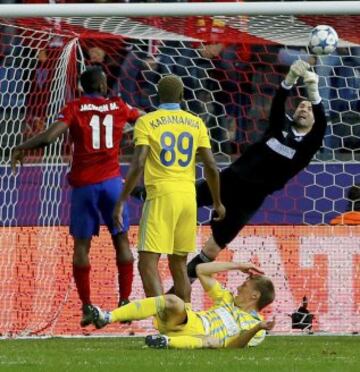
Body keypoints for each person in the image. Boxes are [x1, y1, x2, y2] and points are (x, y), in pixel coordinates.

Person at [133, 60, 327, 284]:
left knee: (212, 249)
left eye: (309, 109)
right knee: (184, 196)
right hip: (231, 180)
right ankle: (143, 194)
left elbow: (322, 125)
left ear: (313, 120)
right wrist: (290, 79)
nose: (304, 109)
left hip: (250, 199)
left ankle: (177, 291)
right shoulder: (278, 128)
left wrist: (313, 92)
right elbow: (278, 103)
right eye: (301, 106)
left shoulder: (307, 147)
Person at [11, 66, 142, 327]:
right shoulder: (119, 107)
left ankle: (86, 306)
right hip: (113, 184)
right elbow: (144, 119)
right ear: (104, 86)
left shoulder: (74, 107)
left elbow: (49, 137)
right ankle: (125, 301)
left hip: (85, 187)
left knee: (82, 248)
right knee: (122, 241)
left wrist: (22, 146)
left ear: (82, 88)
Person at [113, 74, 225, 303]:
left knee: (147, 262)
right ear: (183, 96)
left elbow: (138, 164)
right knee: (179, 264)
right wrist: (217, 202)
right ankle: (184, 323)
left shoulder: (147, 122)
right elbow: (212, 167)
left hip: (161, 195)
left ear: (157, 96)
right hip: (188, 197)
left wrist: (122, 199)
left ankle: (163, 323)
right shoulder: (196, 123)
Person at [90, 261, 275, 349]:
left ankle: (165, 342)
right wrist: (237, 266)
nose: (239, 286)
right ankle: (107, 317)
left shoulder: (258, 326)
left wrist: (258, 327)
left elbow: (236, 346)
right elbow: (201, 270)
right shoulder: (226, 299)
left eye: (244, 285)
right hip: (188, 321)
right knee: (173, 300)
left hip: (203, 338)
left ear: (254, 295)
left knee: (212, 341)